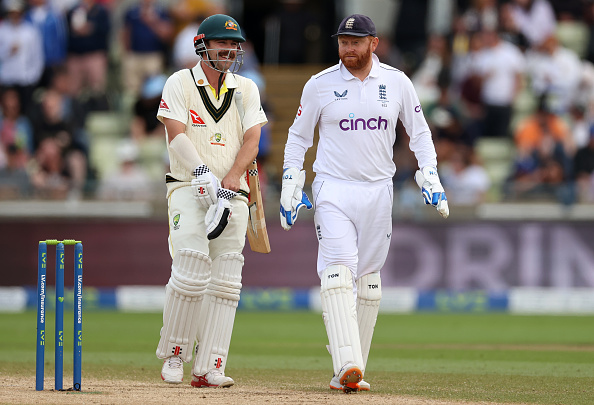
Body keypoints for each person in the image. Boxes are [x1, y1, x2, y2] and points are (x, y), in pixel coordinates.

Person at [280, 14, 449, 393]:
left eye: (356, 42)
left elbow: (419, 134)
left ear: (374, 43)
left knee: (369, 283)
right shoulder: (319, 85)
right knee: (338, 272)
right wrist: (292, 180)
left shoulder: (397, 82)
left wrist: (430, 174)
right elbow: (297, 139)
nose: (348, 49)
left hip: (378, 190)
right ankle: (347, 365)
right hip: (333, 188)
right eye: (343, 42)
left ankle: (349, 372)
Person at [155, 14, 267, 388]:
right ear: (203, 45)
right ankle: (174, 354)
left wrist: (232, 178)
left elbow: (252, 140)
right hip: (187, 186)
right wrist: (202, 172)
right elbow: (175, 134)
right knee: (190, 266)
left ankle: (210, 364)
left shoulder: (246, 88)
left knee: (226, 280)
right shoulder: (179, 82)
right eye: (223, 43)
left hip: (231, 192)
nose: (230, 50)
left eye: (235, 45)